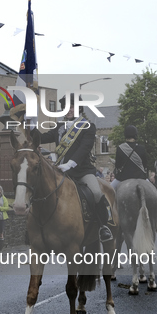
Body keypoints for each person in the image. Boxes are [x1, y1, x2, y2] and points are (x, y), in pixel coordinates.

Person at [38, 93, 113, 243]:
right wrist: (30, 126)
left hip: (81, 171)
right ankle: (38, 228)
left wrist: (70, 163)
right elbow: (42, 138)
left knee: (97, 192)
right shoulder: (60, 127)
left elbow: (84, 149)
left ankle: (103, 227)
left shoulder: (88, 127)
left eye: (71, 107)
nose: (68, 110)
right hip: (60, 171)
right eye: (65, 107)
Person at [110, 125, 148, 189]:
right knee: (154, 190)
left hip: (124, 177)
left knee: (109, 190)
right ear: (136, 135)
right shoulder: (141, 148)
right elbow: (145, 165)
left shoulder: (120, 148)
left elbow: (118, 165)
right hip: (140, 177)